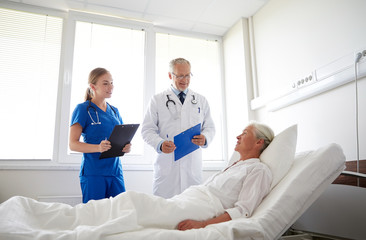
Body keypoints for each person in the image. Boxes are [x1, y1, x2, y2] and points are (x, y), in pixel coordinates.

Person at [0, 122, 274, 238]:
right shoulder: (235, 164)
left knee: (132, 202)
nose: (238, 136)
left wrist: (203, 225)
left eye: (244, 133)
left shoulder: (258, 170)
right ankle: (45, 216)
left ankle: (60, 226)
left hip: (203, 208)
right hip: (190, 197)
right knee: (126, 202)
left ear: (259, 141)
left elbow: (243, 211)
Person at [141, 57, 216, 198]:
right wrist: (160, 143)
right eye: (180, 75)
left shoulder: (200, 100)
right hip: (167, 168)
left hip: (192, 168)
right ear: (170, 75)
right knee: (164, 212)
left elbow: (210, 127)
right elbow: (147, 130)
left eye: (188, 75)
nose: (185, 79)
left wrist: (205, 138)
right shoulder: (157, 100)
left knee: (192, 209)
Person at [69, 67, 131, 204]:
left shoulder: (115, 111)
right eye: (105, 83)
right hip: (94, 173)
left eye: (111, 82)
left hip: (115, 172)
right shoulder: (83, 109)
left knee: (121, 211)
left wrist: (126, 147)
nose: (110, 87)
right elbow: (73, 144)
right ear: (93, 86)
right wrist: (98, 148)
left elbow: (120, 139)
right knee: (94, 216)